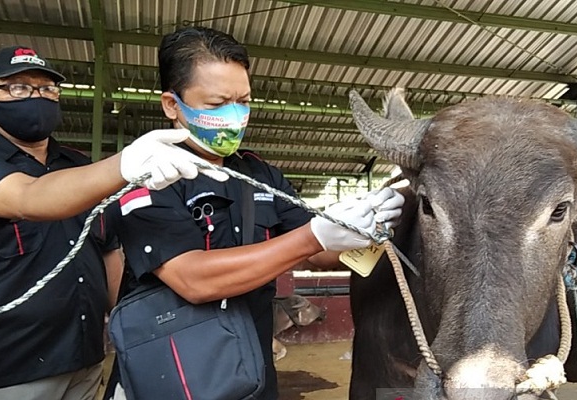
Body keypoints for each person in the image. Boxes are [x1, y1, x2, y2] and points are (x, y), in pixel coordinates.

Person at [106, 27, 405, 400]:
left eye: (243, 101)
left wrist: (366, 227)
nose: (234, 115)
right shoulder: (145, 177)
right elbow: (193, 279)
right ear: (172, 104)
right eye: (217, 104)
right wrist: (314, 235)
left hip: (250, 371)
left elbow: (318, 252)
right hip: (175, 374)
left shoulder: (261, 175)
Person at [0, 46, 227, 400]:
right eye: (19, 88)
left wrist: (133, 334)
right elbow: (30, 197)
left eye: (47, 89)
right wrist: (124, 164)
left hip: (85, 359)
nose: (37, 97)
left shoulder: (80, 167)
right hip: (9, 371)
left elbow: (109, 251)